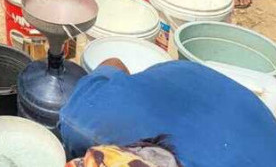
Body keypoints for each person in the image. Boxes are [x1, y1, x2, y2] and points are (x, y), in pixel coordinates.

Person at [59, 59, 276, 166]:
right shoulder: (84, 116)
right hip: (185, 78)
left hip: (198, 81)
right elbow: (113, 63)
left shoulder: (83, 126)